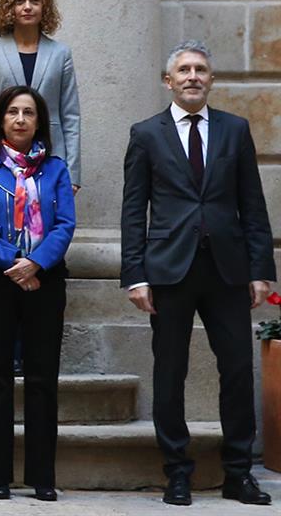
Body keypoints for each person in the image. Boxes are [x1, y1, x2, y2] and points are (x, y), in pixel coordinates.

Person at [121, 40, 275, 507]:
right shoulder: (146, 134)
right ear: (169, 81)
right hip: (168, 271)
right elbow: (133, 210)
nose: (193, 76)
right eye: (184, 70)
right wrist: (135, 274)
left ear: (211, 80)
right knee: (170, 372)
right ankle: (177, 473)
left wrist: (260, 269)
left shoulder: (235, 130)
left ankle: (237, 473)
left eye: (201, 70)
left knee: (236, 371)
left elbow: (253, 204)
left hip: (226, 271)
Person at [0, 85, 75, 502]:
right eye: (13, 112)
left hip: (45, 280)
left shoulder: (57, 170)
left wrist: (36, 263)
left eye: (29, 112)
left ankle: (43, 476)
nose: (21, 119)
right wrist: (15, 262)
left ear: (39, 121)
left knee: (43, 379)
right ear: (1, 120)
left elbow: (64, 223)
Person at [0, 0, 80, 189]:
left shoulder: (60, 53)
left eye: (34, 1)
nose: (27, 7)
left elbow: (71, 116)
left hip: (50, 157)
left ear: (44, 7)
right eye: (20, 1)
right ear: (10, 7)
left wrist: (72, 173)